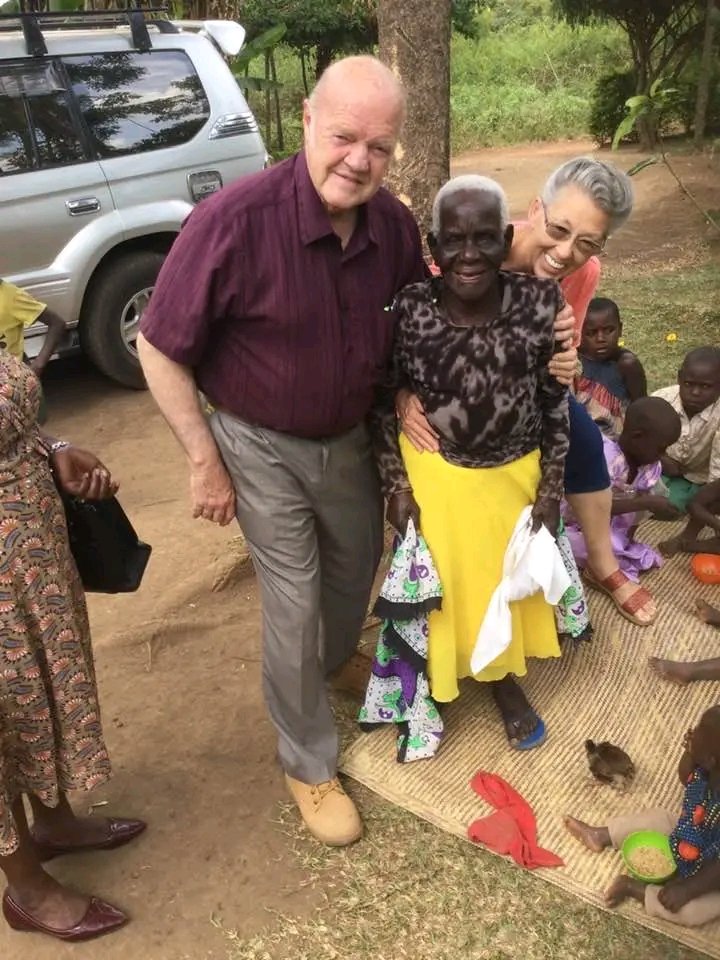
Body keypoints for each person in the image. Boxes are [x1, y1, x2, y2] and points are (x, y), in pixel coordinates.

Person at [137, 56, 429, 847]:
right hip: (257, 442)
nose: (359, 161)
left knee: (354, 567)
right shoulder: (233, 222)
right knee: (294, 602)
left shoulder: (393, 225)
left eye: (379, 146)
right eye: (343, 137)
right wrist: (203, 457)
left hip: (350, 438)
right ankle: (307, 759)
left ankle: (335, 663)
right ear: (305, 119)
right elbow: (159, 347)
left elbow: (418, 320)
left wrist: (407, 388)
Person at [398, 158, 656, 627]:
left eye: (586, 243)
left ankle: (603, 564)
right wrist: (402, 394)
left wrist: (568, 361)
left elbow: (564, 347)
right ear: (535, 210)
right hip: (455, 387)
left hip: (527, 389)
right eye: (558, 229)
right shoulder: (477, 247)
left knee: (583, 440)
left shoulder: (585, 272)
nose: (564, 252)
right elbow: (419, 332)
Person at [370, 175, 569, 750]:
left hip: (515, 471)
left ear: (507, 241)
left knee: (501, 581)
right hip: (437, 471)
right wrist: (396, 487)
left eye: (485, 238)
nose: (469, 254)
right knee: (443, 586)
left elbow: (557, 404)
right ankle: (433, 680)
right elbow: (386, 400)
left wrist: (551, 491)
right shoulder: (409, 308)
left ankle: (503, 680)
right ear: (433, 248)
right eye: (453, 240)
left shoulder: (540, 304)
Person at [0, 351, 145, 942]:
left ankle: (54, 822)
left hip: (30, 560)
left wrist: (52, 449)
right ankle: (27, 889)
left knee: (39, 692)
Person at [564, 706, 720, 928]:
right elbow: (686, 777)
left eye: (698, 737)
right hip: (694, 832)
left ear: (710, 759)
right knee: (659, 818)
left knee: (693, 912)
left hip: (713, 878)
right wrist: (689, 752)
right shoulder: (707, 767)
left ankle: (633, 888)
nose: (692, 734)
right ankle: (601, 835)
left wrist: (688, 888)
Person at [564, 397, 682, 597]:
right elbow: (592, 506)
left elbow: (639, 510)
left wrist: (630, 536)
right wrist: (645, 502)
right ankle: (600, 565)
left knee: (619, 545)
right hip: (576, 520)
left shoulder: (651, 464)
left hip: (609, 523)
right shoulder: (604, 457)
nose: (663, 454)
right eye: (661, 447)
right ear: (637, 436)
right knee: (580, 545)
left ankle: (613, 553)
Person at [654, 348, 720, 556]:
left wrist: (701, 503)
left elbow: (716, 478)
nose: (696, 392)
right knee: (648, 498)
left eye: (706, 386)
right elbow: (639, 441)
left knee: (681, 505)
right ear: (679, 378)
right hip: (660, 466)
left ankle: (687, 538)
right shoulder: (661, 401)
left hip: (701, 477)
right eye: (689, 384)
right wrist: (661, 458)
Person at [575, 296, 647, 437]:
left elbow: (641, 406)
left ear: (620, 329)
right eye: (591, 333)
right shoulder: (578, 355)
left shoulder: (626, 364)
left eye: (609, 330)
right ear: (581, 334)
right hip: (580, 427)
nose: (601, 339)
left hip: (614, 436)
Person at [0, 279, 66, 422]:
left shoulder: (10, 296)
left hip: (15, 385)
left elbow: (57, 323)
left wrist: (37, 366)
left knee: (32, 434)